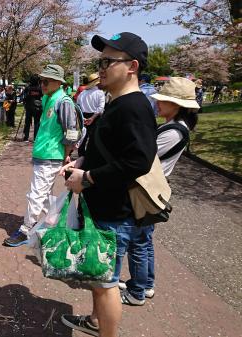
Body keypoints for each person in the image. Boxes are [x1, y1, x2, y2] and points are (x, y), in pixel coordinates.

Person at [60, 32, 156, 337]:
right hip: (103, 207)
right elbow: (108, 150)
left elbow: (137, 162)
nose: (100, 67)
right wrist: (80, 163)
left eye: (108, 61)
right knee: (98, 278)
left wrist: (87, 178)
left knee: (105, 284)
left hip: (115, 213)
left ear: (132, 66)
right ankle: (95, 322)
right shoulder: (116, 103)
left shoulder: (134, 107)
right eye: (99, 61)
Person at [118, 77, 200, 305]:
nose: (158, 103)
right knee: (143, 240)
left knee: (138, 243)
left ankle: (137, 292)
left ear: (178, 105)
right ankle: (146, 284)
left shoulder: (175, 131)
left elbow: (143, 155)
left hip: (145, 191)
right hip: (150, 191)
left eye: (164, 100)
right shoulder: (173, 126)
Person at [3, 64, 79, 247]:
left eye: (46, 81)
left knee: (36, 194)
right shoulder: (48, 98)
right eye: (41, 80)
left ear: (58, 82)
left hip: (52, 155)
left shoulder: (64, 102)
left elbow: (71, 131)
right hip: (43, 153)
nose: (42, 84)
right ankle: (58, 226)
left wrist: (67, 155)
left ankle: (26, 229)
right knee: (44, 196)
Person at [22, 75, 43, 141]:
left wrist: (25, 102)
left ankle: (26, 137)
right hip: (37, 107)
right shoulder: (40, 88)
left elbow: (24, 97)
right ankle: (35, 138)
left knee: (27, 122)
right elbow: (43, 96)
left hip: (28, 107)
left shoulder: (28, 88)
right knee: (37, 122)